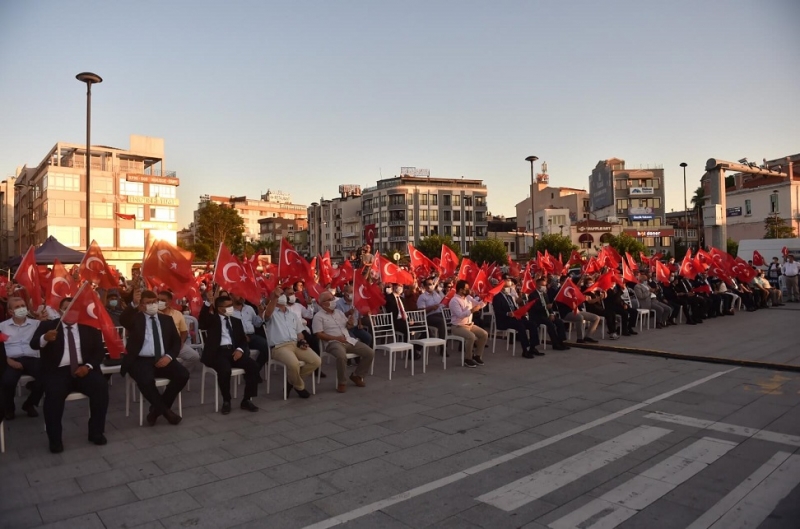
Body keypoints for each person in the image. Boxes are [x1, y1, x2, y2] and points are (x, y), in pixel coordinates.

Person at [30, 297, 109, 453]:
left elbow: (99, 352)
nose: (69, 311)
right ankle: (55, 440)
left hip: (83, 369)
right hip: (58, 371)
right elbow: (33, 344)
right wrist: (45, 338)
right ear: (60, 311)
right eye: (66, 308)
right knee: (53, 397)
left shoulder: (89, 328)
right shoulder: (49, 326)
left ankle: (96, 433)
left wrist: (88, 366)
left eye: (73, 308)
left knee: (101, 388)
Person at [121, 290, 189, 426]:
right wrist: (134, 304)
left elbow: (176, 342)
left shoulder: (166, 320)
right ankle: (166, 412)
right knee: (146, 380)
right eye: (148, 303)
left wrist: (169, 357)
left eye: (154, 302)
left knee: (182, 374)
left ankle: (156, 411)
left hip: (163, 358)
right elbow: (123, 320)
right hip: (141, 360)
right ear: (141, 305)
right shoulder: (136, 319)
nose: (152, 305)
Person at [199, 295, 260, 414]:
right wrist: (207, 303)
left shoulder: (236, 321)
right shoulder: (213, 320)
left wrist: (239, 350)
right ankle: (226, 400)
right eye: (227, 306)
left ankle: (247, 399)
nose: (231, 308)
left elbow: (243, 340)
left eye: (231, 305)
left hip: (234, 351)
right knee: (225, 370)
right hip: (218, 352)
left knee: (253, 366)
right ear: (220, 308)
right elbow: (202, 320)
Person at [263, 288, 321, 398]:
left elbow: (299, 332)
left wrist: (302, 341)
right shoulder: (271, 313)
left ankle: (291, 381)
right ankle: (299, 386)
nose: (283, 296)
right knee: (294, 364)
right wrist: (274, 298)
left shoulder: (292, 315)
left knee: (316, 361)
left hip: (295, 344)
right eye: (279, 295)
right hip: (279, 347)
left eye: (282, 294)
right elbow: (267, 314)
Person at [312, 291, 375, 393]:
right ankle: (342, 382)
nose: (333, 301)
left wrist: (350, 324)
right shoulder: (318, 316)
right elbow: (319, 334)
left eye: (333, 299)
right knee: (341, 356)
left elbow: (347, 326)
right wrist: (336, 338)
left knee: (369, 352)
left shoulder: (339, 313)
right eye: (330, 300)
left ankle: (357, 375)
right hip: (333, 343)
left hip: (348, 340)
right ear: (323, 303)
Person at [0, 297, 43, 420]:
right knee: (7, 381)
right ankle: (9, 408)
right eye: (17, 307)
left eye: (23, 305)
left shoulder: (37, 324)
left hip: (32, 358)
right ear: (10, 311)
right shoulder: (2, 326)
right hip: (11, 360)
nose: (21, 308)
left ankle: (29, 404)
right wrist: (8, 360)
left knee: (46, 378)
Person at [491, 276, 542, 357]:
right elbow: (498, 311)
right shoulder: (497, 297)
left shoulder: (509, 296)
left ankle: (533, 347)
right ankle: (525, 350)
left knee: (532, 324)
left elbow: (514, 308)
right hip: (504, 320)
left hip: (514, 318)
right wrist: (507, 313)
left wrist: (521, 312)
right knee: (520, 326)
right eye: (508, 281)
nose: (510, 283)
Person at [157, 291, 201, 373]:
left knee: (194, 356)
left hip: (175, 345)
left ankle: (180, 372)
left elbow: (184, 331)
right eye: (158, 299)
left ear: (169, 302)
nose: (159, 302)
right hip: (158, 345)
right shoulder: (153, 314)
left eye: (163, 300)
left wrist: (180, 342)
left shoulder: (177, 314)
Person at [448, 279, 489, 367]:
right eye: (466, 288)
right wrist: (471, 310)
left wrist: (485, 301)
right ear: (460, 290)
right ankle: (468, 359)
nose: (469, 290)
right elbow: (460, 315)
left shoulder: (468, 298)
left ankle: (477, 356)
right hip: (458, 326)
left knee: (484, 334)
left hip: (469, 325)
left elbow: (478, 304)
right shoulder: (454, 301)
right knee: (471, 337)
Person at [528, 277, 569, 350]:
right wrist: (545, 307)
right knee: (550, 324)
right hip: (538, 316)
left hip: (547, 314)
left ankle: (561, 341)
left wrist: (552, 314)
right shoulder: (532, 295)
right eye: (542, 285)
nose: (544, 287)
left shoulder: (545, 294)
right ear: (537, 285)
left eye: (545, 285)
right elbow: (534, 308)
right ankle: (555, 344)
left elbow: (550, 306)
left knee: (559, 322)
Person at [231, 296, 269, 367]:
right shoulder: (230, 311)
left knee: (266, 346)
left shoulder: (249, 308)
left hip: (252, 336)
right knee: (245, 351)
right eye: (238, 295)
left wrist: (260, 313)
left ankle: (256, 369)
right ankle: (251, 371)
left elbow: (257, 324)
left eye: (242, 294)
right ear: (231, 296)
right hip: (238, 337)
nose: (241, 297)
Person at [417, 277, 447, 343]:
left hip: (440, 314)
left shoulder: (437, 294)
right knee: (441, 321)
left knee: (452, 319)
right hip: (429, 317)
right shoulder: (422, 297)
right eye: (429, 284)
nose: (431, 286)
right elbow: (421, 311)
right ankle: (442, 345)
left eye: (432, 284)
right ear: (425, 286)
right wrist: (431, 308)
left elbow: (442, 303)